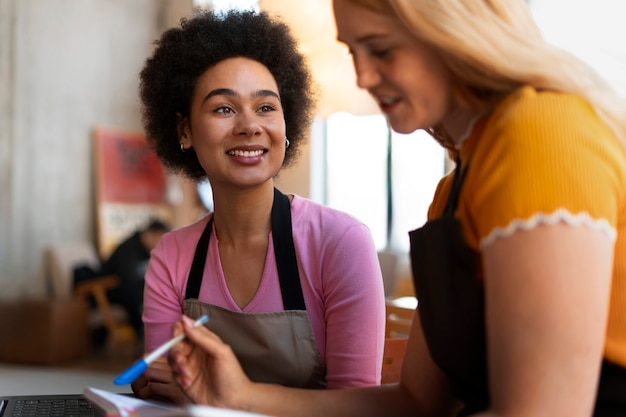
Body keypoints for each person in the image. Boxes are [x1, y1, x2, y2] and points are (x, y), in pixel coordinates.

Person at [168, 0, 626, 416]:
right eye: (353, 53)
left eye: (381, 50)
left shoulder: (540, 134)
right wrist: (239, 394)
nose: (363, 78)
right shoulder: (454, 189)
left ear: (453, 31)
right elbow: (416, 403)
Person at [131, 8, 386, 403]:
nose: (250, 125)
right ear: (184, 131)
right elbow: (165, 393)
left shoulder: (340, 242)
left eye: (266, 107)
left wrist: (236, 397)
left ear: (287, 125)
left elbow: (361, 408)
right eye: (224, 108)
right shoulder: (172, 256)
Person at [101, 219, 170, 340]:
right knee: (137, 292)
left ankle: (158, 334)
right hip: (109, 293)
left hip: (129, 291)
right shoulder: (128, 250)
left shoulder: (146, 252)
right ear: (147, 235)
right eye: (158, 240)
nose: (159, 245)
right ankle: (144, 334)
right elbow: (128, 281)